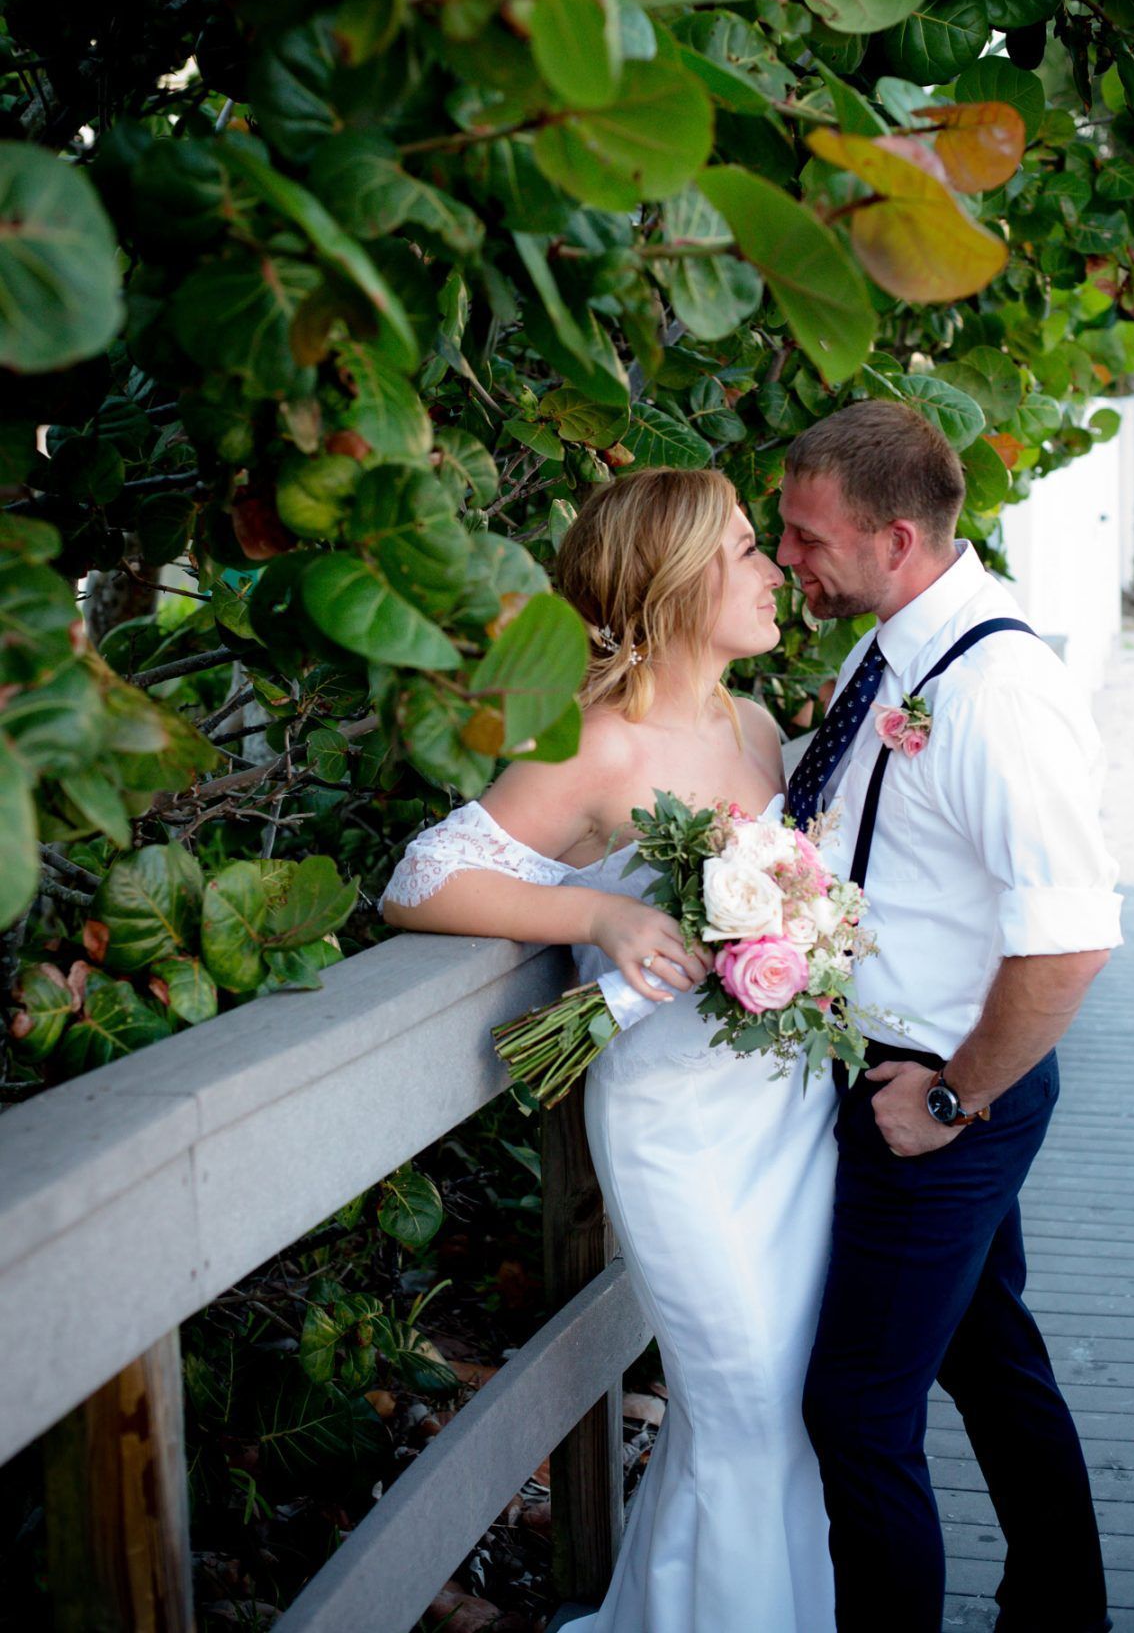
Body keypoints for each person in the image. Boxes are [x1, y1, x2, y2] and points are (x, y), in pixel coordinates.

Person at [380, 467, 838, 1632]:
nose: (772, 567)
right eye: (744, 549)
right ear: (678, 581)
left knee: (767, 1412)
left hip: (789, 1123)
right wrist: (599, 916)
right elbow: (422, 879)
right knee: (738, 1406)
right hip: (674, 1129)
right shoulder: (594, 743)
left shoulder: (758, 726)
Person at [777, 401, 1121, 1633]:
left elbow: (1072, 936)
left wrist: (943, 1099)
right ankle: (1064, 1611)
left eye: (809, 539)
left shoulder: (995, 689)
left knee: (858, 1415)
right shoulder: (896, 652)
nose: (787, 559)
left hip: (939, 1098)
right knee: (990, 1357)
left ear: (899, 538)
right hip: (921, 1078)